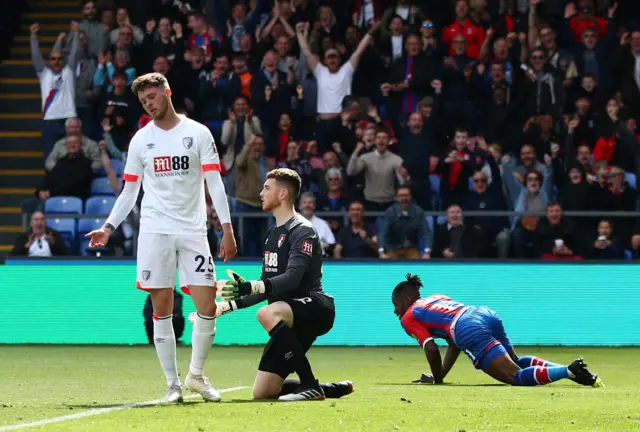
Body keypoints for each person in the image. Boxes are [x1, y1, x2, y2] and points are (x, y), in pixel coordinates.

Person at [84, 72, 237, 403]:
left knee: (207, 305)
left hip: (194, 230)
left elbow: (214, 184)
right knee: (161, 307)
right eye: (143, 101)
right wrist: (108, 227)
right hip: (155, 231)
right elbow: (129, 191)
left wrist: (226, 227)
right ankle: (173, 384)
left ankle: (196, 375)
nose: (148, 104)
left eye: (152, 97)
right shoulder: (141, 140)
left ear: (167, 92)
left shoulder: (197, 133)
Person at [215, 168, 353, 401]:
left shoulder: (303, 230)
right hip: (286, 313)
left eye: (266, 188)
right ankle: (331, 389)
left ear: (283, 194)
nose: (261, 193)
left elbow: (292, 278)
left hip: (315, 307)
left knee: (266, 313)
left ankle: (310, 386)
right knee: (263, 392)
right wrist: (224, 308)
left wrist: (251, 286)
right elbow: (268, 285)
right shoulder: (272, 232)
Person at [391, 274, 603, 388]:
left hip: (466, 327)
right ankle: (571, 371)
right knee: (516, 361)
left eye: (396, 304)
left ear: (407, 301)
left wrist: (436, 380)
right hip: (482, 313)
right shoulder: (436, 297)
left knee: (515, 377)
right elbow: (453, 343)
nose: (395, 311)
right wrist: (440, 376)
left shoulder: (410, 315)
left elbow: (430, 348)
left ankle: (568, 371)